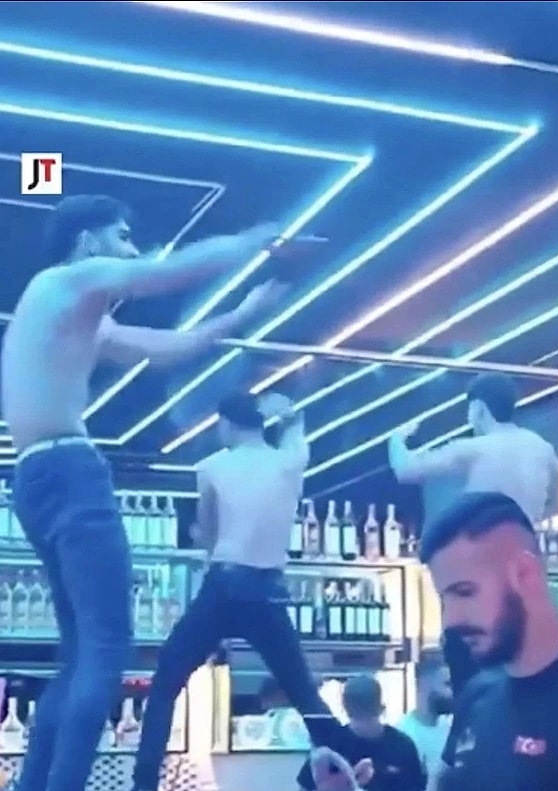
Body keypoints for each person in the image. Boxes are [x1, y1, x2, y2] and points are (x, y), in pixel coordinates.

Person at [1, 193, 306, 791]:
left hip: (32, 477)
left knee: (78, 653)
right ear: (88, 241)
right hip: (70, 469)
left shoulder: (70, 310)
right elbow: (166, 272)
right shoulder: (69, 278)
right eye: (121, 236)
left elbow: (168, 349)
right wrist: (255, 239)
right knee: (106, 646)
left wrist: (241, 313)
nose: (130, 249)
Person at [131, 391, 343, 791]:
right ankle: (353, 771)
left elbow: (208, 535)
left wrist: (204, 537)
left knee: (166, 683)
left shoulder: (212, 467)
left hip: (224, 584)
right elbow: (295, 420)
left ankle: (143, 786)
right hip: (268, 588)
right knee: (303, 692)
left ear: (225, 424)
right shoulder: (290, 460)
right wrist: (283, 412)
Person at [420, 491, 558, 791]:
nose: (451, 619)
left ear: (525, 574)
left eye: (465, 592)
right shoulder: (477, 696)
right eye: (444, 599)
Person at [388, 372, 558, 527]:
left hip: (482, 548)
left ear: (479, 408)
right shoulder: (542, 448)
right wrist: (522, 523)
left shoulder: (472, 449)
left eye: (469, 408)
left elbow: (405, 470)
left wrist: (396, 438)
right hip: (525, 547)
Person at [297, 675, 425, 791]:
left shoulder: (403, 746)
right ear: (382, 708)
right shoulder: (330, 747)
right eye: (359, 715)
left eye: (369, 715)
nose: (364, 723)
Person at [396, 657, 452, 782]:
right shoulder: (404, 735)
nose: (452, 692)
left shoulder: (450, 730)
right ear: (424, 685)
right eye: (447, 684)